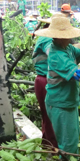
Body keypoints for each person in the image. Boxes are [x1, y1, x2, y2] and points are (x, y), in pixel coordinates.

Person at [35, 16, 80, 155]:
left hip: (68, 101)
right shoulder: (56, 54)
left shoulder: (68, 48)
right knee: (67, 144)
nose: (70, 39)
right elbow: (79, 75)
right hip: (60, 103)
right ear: (58, 37)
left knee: (72, 139)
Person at [32, 17, 58, 148]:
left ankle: (46, 145)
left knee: (47, 116)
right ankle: (54, 148)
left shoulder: (49, 38)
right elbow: (54, 56)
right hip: (45, 81)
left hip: (45, 80)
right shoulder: (46, 39)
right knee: (50, 117)